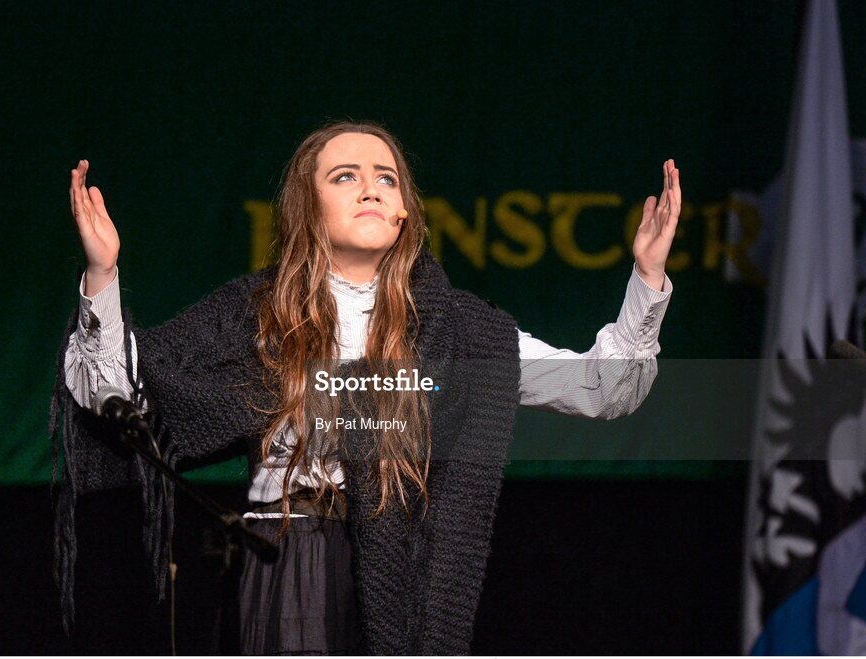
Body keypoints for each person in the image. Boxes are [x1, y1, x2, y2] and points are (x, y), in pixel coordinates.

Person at [52, 121, 680, 654]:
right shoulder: (254, 313)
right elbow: (117, 389)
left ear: (405, 209)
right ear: (308, 204)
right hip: (288, 552)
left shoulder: (463, 334)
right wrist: (103, 274)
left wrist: (647, 280)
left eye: (387, 177)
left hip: (409, 561)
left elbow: (605, 388)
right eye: (345, 176)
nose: (372, 189)